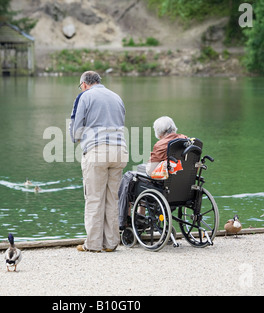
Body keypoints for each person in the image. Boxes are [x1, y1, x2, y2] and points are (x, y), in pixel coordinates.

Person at [70, 71, 128, 252]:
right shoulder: (116, 96)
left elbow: (75, 129)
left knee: (94, 198)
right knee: (113, 198)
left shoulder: (84, 97)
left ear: (84, 84)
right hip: (120, 151)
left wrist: (77, 138)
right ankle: (111, 243)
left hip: (97, 151)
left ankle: (93, 244)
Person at [118, 116, 187, 228]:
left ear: (159, 132)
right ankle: (140, 216)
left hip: (164, 189)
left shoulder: (162, 144)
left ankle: (124, 221)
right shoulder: (185, 140)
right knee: (141, 179)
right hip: (183, 189)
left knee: (129, 178)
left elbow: (150, 172)